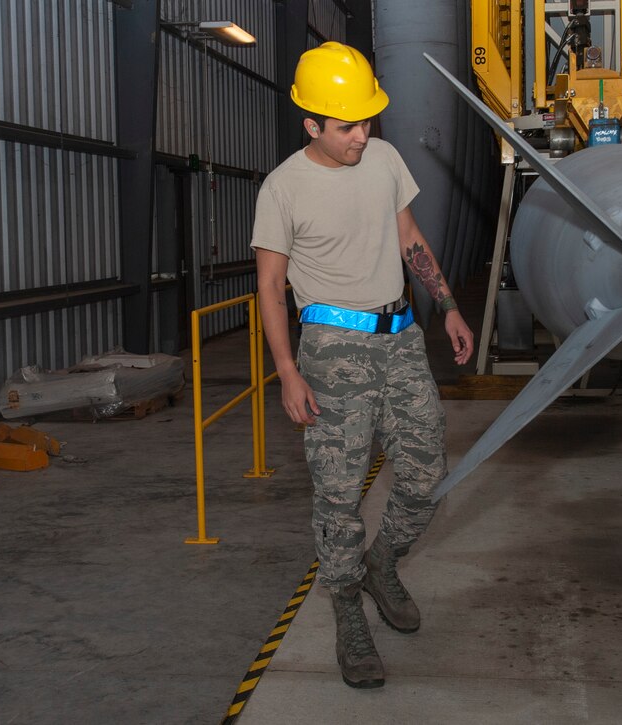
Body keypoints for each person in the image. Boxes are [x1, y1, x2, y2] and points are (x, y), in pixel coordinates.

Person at [250, 41, 474, 688]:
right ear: (311, 124)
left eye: (368, 121)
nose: (361, 135)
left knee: (427, 471)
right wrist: (287, 370)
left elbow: (409, 238)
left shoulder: (384, 159)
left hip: (401, 337)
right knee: (340, 495)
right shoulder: (284, 187)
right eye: (346, 125)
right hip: (332, 351)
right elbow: (269, 285)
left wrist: (450, 305)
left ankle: (383, 562)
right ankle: (348, 609)